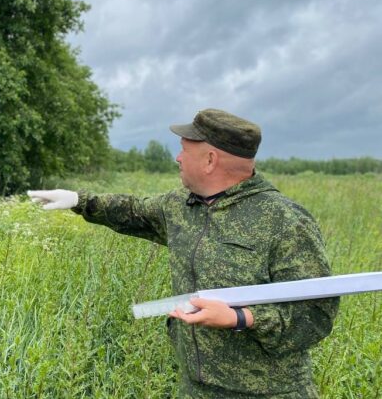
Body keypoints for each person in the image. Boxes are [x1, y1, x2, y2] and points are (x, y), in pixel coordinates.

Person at [28, 108, 339, 398]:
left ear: (209, 160)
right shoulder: (181, 206)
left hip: (267, 391)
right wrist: (79, 200)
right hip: (195, 386)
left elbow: (316, 314)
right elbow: (134, 212)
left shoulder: (284, 221)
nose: (177, 158)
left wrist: (239, 317)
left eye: (184, 149)